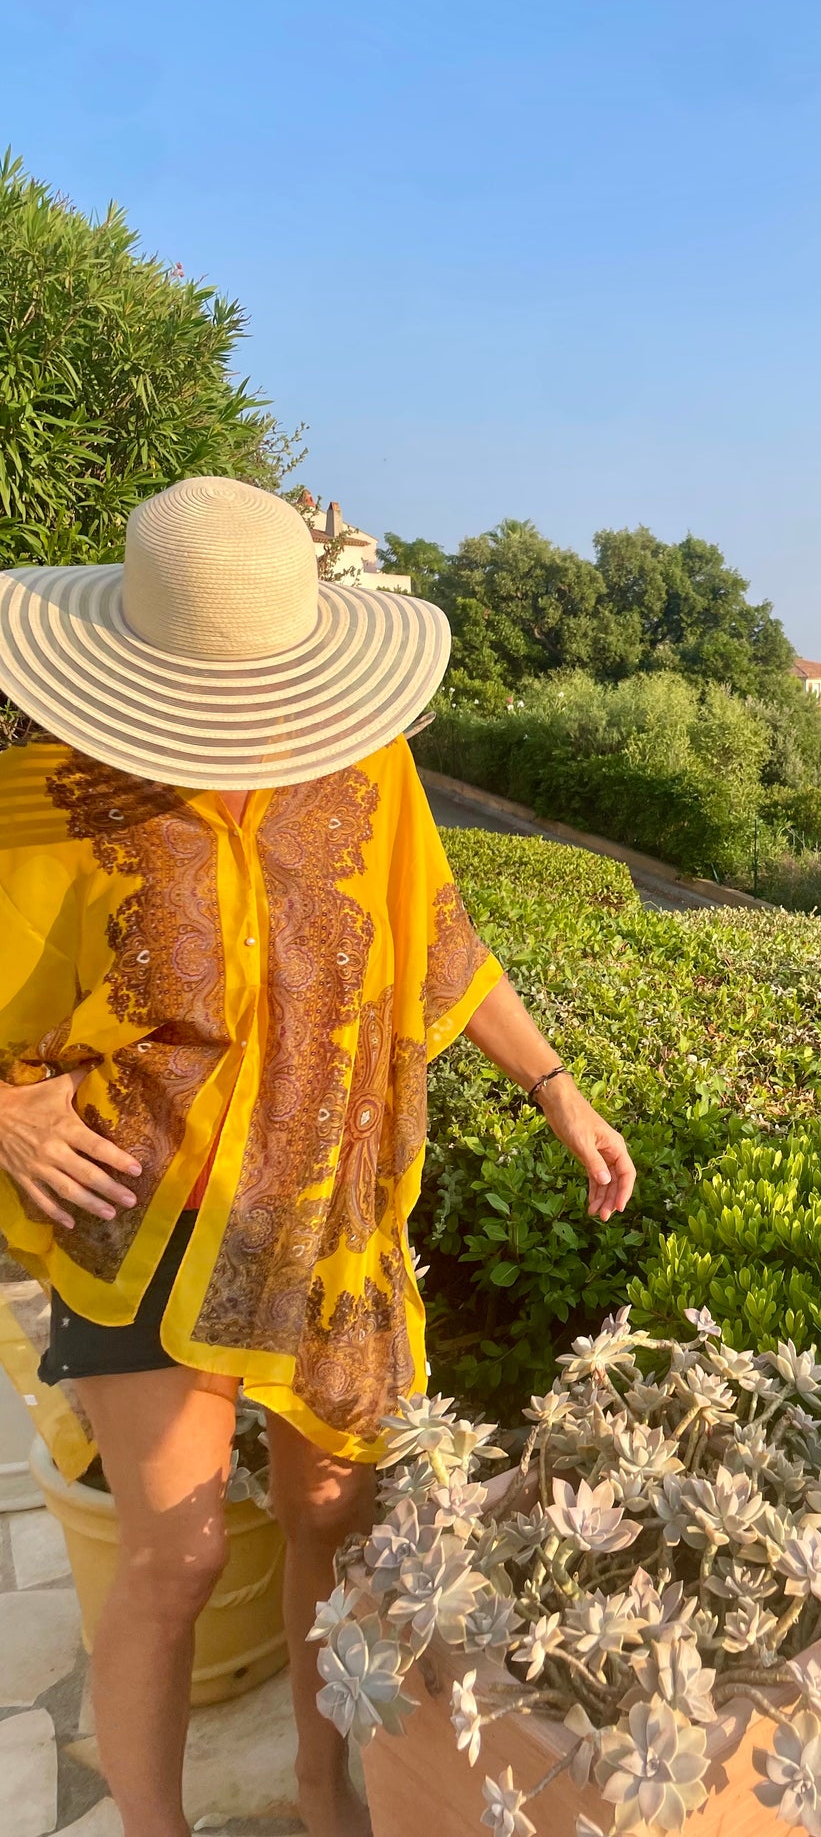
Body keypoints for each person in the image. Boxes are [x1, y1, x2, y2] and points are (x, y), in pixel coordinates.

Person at [0, 478, 636, 1837]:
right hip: (144, 1216)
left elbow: (437, 938)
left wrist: (554, 1086)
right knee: (168, 1566)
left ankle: (315, 1781)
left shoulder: (360, 759)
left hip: (328, 1209)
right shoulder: (46, 793)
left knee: (331, 1523)